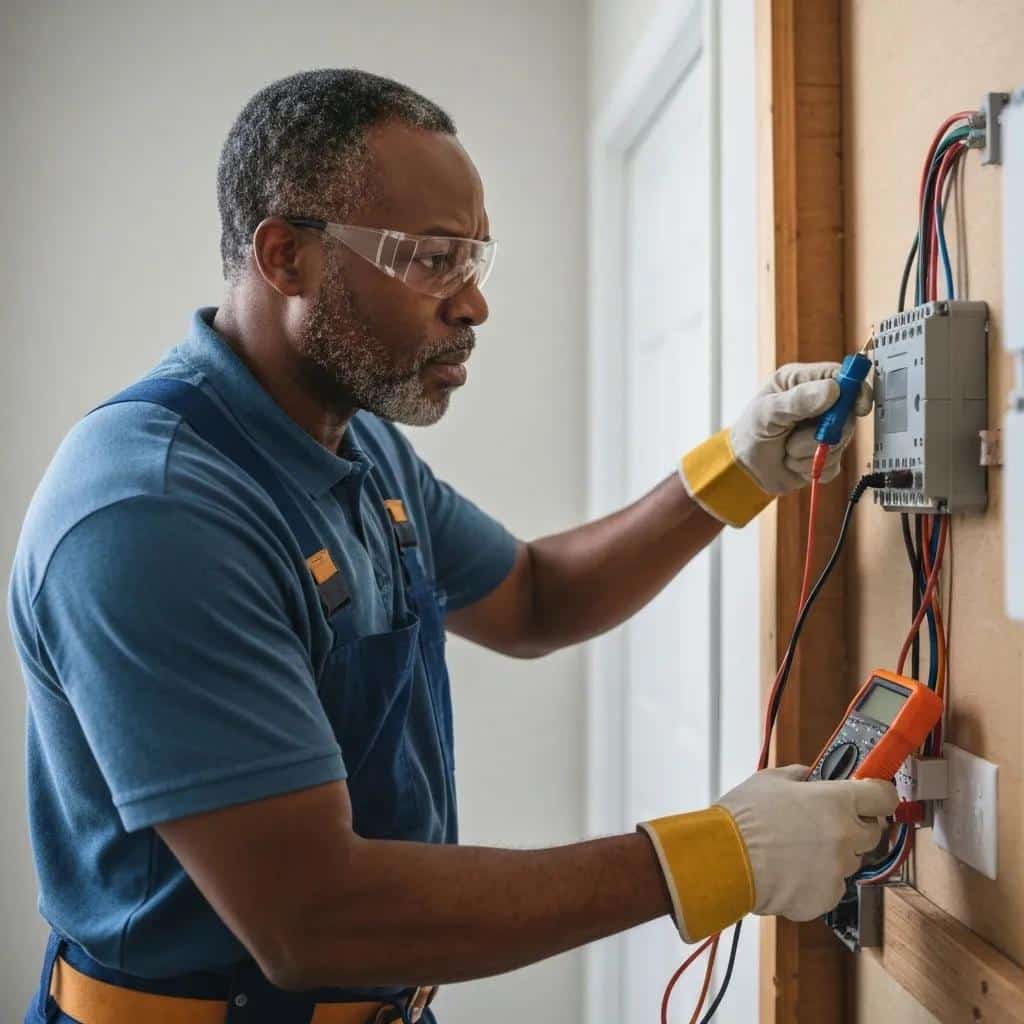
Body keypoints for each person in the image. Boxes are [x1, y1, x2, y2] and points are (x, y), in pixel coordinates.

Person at [9, 69, 896, 1024]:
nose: (474, 304)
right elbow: (314, 920)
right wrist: (718, 858)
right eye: (432, 260)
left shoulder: (357, 440)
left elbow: (534, 598)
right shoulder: (156, 513)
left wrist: (740, 465)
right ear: (285, 257)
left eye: (476, 259)